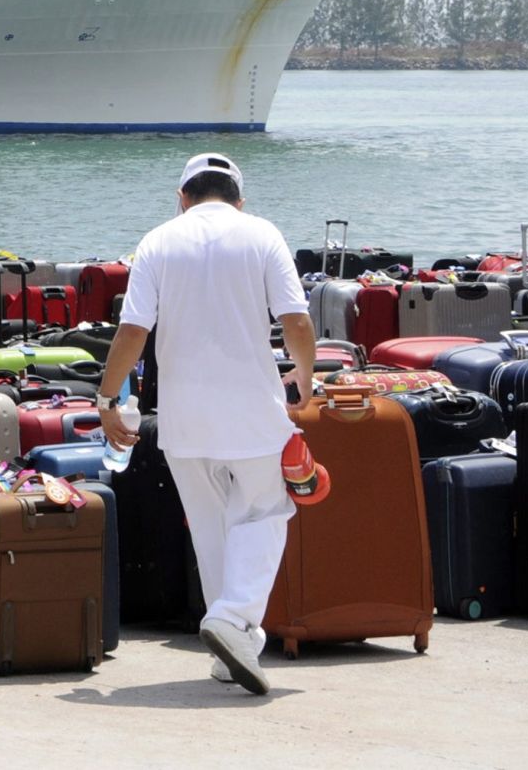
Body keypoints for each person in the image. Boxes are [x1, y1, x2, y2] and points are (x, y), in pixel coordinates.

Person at [96, 152, 315, 696]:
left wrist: (107, 399)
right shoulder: (262, 233)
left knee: (213, 529)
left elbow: (132, 333)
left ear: (182, 196)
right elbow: (297, 320)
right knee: (267, 509)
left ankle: (229, 652)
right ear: (239, 200)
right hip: (250, 409)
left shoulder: (157, 240)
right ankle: (235, 618)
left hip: (181, 414)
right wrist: (306, 376)